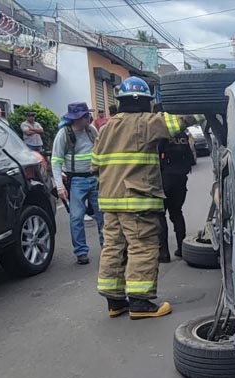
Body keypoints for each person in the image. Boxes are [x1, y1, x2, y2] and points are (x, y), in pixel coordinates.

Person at [92, 76, 172, 319]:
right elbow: (179, 122)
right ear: (145, 101)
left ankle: (115, 302)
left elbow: (94, 164)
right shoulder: (147, 123)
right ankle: (140, 303)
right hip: (137, 198)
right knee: (143, 246)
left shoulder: (105, 128)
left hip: (109, 199)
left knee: (113, 247)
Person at [51, 102, 104, 265]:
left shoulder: (91, 130)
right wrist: (59, 186)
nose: (89, 118)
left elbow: (100, 151)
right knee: (76, 217)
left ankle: (107, 248)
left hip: (95, 178)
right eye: (85, 116)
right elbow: (56, 161)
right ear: (76, 119)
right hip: (77, 181)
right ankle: (81, 252)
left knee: (103, 215)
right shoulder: (64, 134)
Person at [158, 114, 198, 262]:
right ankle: (181, 248)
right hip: (180, 179)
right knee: (177, 214)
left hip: (164, 180)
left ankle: (163, 253)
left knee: (161, 215)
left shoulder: (161, 135)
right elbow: (190, 158)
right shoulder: (183, 135)